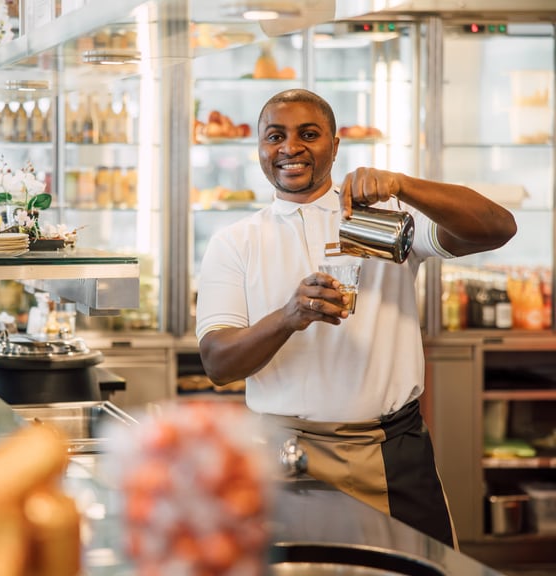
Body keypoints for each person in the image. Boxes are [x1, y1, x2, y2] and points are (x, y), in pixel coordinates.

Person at [195, 88, 517, 548]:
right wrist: (289, 317)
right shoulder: (236, 242)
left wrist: (401, 184)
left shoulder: (382, 218)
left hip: (391, 453)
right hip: (283, 456)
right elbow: (218, 363)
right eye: (275, 136)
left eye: (309, 134)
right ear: (260, 149)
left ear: (335, 144)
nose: (290, 148)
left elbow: (498, 228)